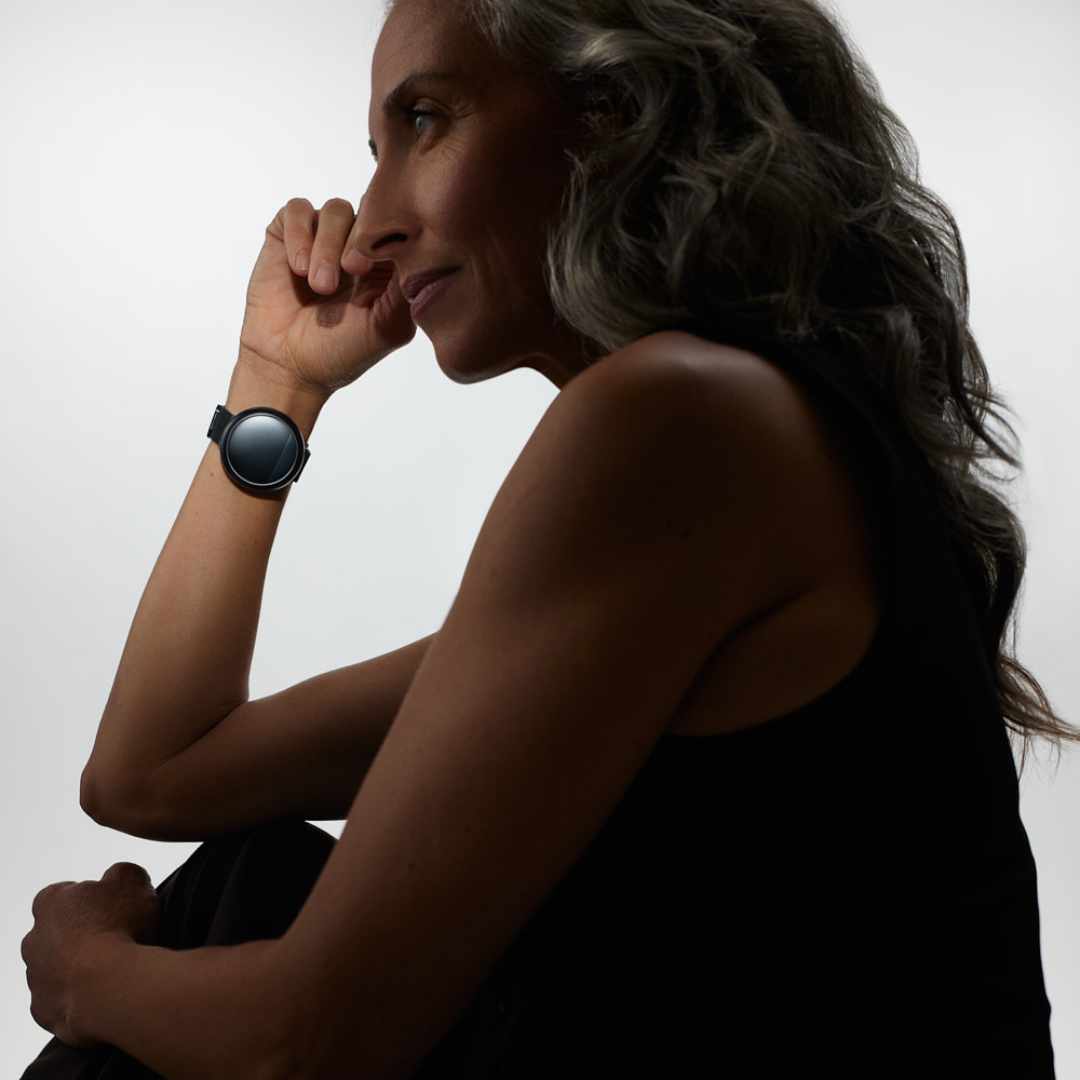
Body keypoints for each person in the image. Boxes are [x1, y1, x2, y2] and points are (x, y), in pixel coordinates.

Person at [21, 0, 1074, 1076]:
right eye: (374, 152)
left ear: (615, 109)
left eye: (426, 121)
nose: (372, 218)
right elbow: (152, 773)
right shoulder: (743, 447)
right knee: (251, 879)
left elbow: (310, 1039)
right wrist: (276, 384)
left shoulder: (681, 420)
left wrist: (84, 975)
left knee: (214, 945)